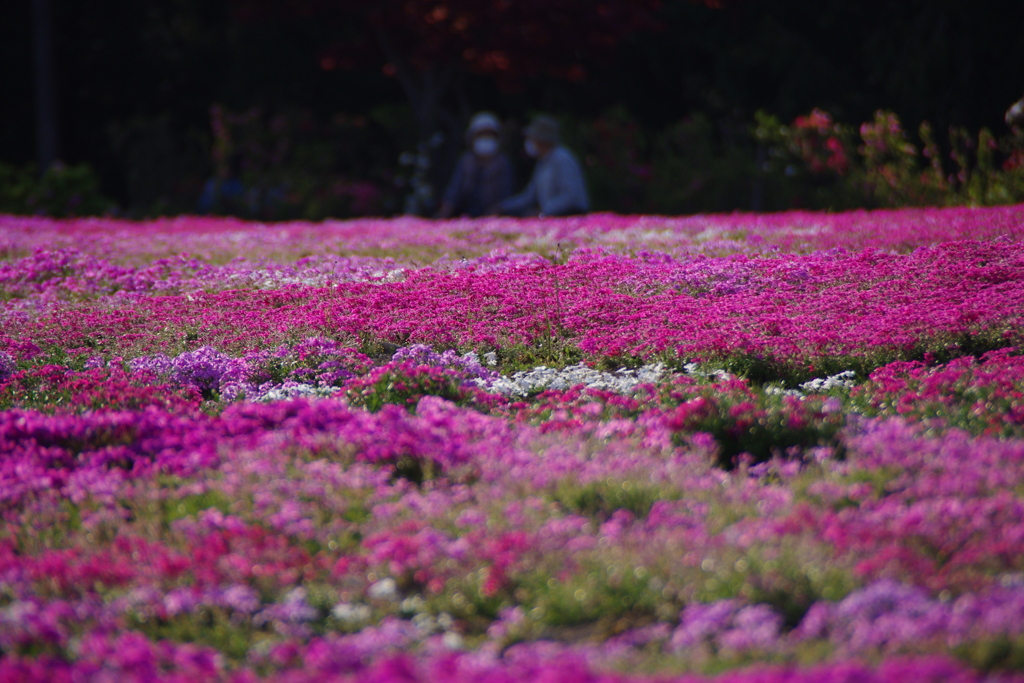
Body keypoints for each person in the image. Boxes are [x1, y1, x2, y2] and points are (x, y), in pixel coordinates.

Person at [498, 115, 590, 217]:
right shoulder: (542, 161)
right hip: (554, 216)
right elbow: (530, 195)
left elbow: (570, 196)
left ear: (542, 140)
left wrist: (543, 211)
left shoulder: (562, 159)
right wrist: (503, 207)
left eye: (532, 138)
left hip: (571, 216)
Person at [437, 112, 514, 218]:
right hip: (464, 215)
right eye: (481, 135)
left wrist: (498, 211)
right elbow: (454, 190)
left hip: (493, 216)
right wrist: (444, 213)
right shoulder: (466, 161)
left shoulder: (502, 163)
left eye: (489, 135)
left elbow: (506, 195)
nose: (485, 139)